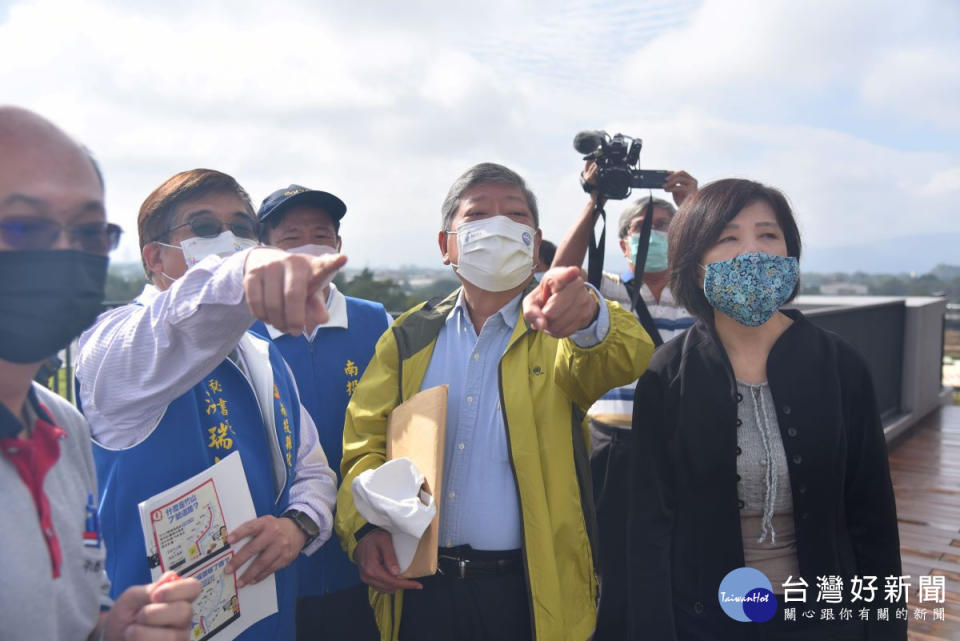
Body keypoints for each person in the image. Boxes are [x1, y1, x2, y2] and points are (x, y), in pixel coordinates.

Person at [335, 162, 653, 641]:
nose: (499, 227)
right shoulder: (408, 335)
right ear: (447, 246)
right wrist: (364, 530)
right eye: (478, 215)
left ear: (535, 241)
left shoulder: (557, 328)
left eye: (516, 216)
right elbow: (365, 442)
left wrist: (589, 312)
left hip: (527, 591)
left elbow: (625, 355)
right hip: (420, 586)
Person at [624, 179, 905, 640]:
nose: (752, 252)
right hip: (706, 621)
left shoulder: (841, 365)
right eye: (727, 238)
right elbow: (650, 528)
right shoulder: (667, 374)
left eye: (768, 235)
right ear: (695, 267)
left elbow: (872, 514)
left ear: (790, 257)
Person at [75, 168, 344, 640]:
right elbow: (179, 323)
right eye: (203, 229)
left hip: (270, 621)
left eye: (242, 229)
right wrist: (240, 270)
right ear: (154, 257)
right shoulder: (116, 348)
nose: (228, 240)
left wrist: (298, 526)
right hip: (154, 625)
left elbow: (313, 471)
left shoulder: (264, 353)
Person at [0, 105, 200, 641]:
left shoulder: (63, 428)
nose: (65, 254)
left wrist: (113, 630)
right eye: (24, 227)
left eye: (89, 234)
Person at [551, 165, 697, 639]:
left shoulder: (696, 295)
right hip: (609, 446)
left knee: (671, 552)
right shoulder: (608, 289)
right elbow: (558, 276)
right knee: (605, 554)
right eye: (642, 229)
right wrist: (595, 201)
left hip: (675, 445)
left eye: (664, 228)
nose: (653, 235)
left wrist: (693, 205)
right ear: (622, 243)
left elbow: (719, 262)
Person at [253, 184, 391, 641]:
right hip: (273, 556)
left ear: (337, 247)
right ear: (262, 251)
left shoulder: (377, 322)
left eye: (321, 234)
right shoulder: (241, 334)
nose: (308, 247)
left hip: (364, 550)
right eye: (291, 238)